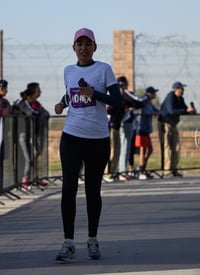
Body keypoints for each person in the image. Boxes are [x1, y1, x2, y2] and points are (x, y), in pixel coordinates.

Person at [54, 28, 122, 262]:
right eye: (79, 44)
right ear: (73, 48)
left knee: (93, 190)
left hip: (97, 139)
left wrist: (96, 94)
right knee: (68, 188)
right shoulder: (68, 70)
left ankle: (92, 239)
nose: (83, 47)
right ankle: (68, 242)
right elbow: (71, 93)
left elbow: (118, 102)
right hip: (71, 137)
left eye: (88, 43)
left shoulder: (104, 69)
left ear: (94, 47)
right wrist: (62, 104)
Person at [12, 82, 49, 190]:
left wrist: (41, 114)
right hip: (24, 134)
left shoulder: (37, 104)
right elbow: (25, 114)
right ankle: (25, 180)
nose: (40, 92)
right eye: (38, 90)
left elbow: (46, 113)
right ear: (33, 92)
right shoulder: (22, 104)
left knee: (36, 155)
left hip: (36, 133)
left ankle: (35, 177)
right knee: (28, 159)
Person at [158, 81, 195, 177]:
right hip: (165, 124)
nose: (182, 90)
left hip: (173, 124)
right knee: (167, 147)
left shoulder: (180, 99)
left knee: (176, 147)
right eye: (181, 88)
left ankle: (174, 168)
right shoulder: (171, 96)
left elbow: (184, 109)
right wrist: (185, 110)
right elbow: (171, 110)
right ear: (176, 89)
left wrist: (190, 111)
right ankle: (167, 170)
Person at [117, 76, 149, 180]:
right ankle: (122, 171)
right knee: (124, 147)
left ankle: (123, 170)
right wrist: (147, 96)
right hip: (124, 123)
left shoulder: (121, 94)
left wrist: (133, 107)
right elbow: (138, 100)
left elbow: (135, 103)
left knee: (125, 148)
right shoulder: (125, 93)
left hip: (125, 123)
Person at [135, 86, 159, 180]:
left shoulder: (150, 103)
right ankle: (141, 170)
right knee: (143, 150)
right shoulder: (144, 101)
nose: (155, 94)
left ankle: (142, 167)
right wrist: (153, 113)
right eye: (154, 93)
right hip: (141, 129)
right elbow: (143, 110)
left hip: (147, 130)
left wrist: (156, 112)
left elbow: (155, 109)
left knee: (150, 150)